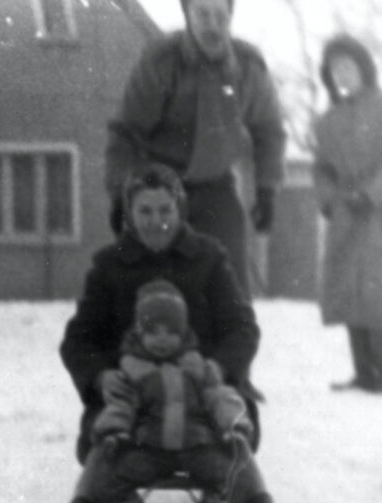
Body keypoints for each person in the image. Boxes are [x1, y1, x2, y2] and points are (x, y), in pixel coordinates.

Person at [48, 163, 308, 503]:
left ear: (180, 209)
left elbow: (243, 328)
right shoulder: (110, 266)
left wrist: (218, 370)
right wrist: (100, 376)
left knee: (236, 453)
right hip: (135, 394)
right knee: (103, 450)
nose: (156, 220)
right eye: (145, 211)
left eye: (165, 209)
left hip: (202, 391)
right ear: (129, 214)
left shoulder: (207, 258)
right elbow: (78, 340)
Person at [104, 0, 287, 299]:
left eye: (220, 15)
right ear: (187, 16)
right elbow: (127, 131)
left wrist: (267, 189)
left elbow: (269, 129)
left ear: (230, 17)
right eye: (202, 14)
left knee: (230, 288)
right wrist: (119, 194)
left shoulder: (248, 67)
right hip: (159, 187)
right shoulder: (162, 61)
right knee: (156, 291)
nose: (212, 25)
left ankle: (226, 345)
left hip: (215, 186)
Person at [312, 34, 382, 394]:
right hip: (345, 212)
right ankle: (362, 373)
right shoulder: (327, 121)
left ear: (363, 68)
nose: (342, 75)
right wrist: (328, 200)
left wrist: (373, 194)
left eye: (348, 66)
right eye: (335, 69)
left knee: (375, 292)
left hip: (380, 213)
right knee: (347, 290)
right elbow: (321, 168)